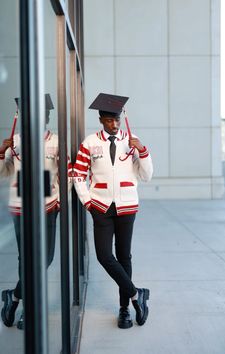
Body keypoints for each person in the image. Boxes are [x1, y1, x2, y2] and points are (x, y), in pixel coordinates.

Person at [73, 93, 153, 329]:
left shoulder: (132, 140)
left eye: (117, 119)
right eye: (109, 120)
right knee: (104, 255)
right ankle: (136, 294)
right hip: (101, 207)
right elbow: (78, 174)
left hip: (127, 207)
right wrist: (88, 201)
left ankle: (124, 309)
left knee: (124, 256)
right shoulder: (90, 143)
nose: (114, 124)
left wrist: (143, 151)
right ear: (101, 120)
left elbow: (146, 176)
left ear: (121, 118)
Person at [0, 94, 73, 330]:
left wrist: (60, 200)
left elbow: (67, 176)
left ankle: (14, 296)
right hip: (21, 206)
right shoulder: (16, 140)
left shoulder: (56, 141)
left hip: (48, 204)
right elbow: (3, 172)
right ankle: (27, 310)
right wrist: (2, 153)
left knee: (46, 258)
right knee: (26, 260)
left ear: (47, 116)